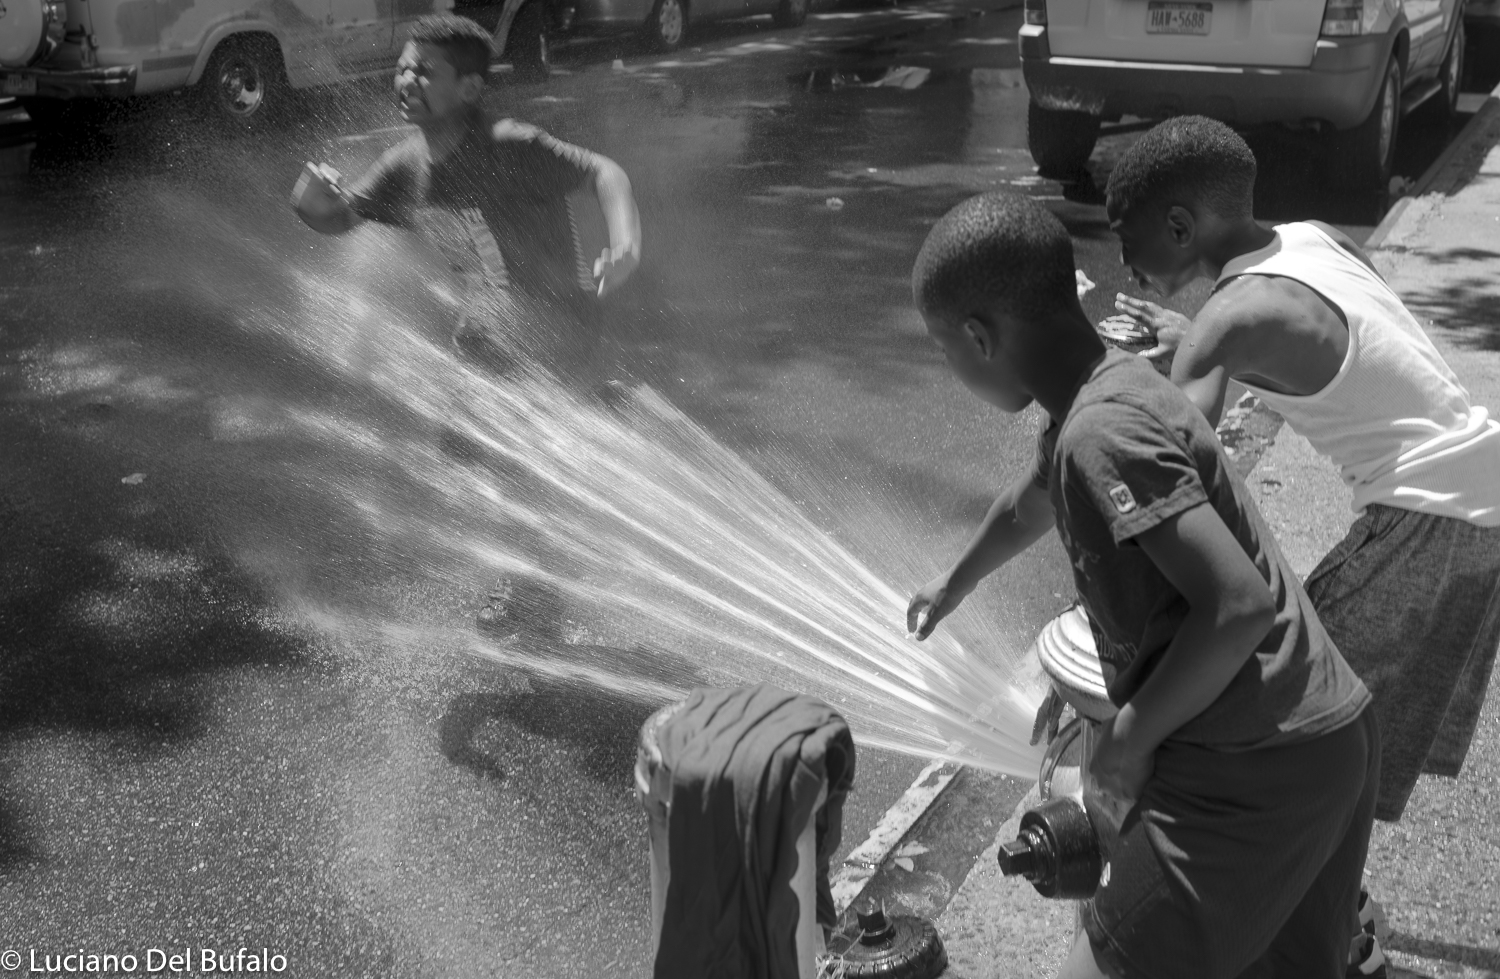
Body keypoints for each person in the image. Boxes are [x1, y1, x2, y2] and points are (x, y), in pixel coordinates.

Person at [906, 191, 1377, 979]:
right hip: (1321, 737)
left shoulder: (1100, 434)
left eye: (944, 350)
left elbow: (1237, 606)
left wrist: (1128, 740)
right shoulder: (1103, 393)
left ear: (978, 338)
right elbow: (1030, 501)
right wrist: (954, 581)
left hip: (1246, 770)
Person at [1103, 115, 1500, 977]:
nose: (1125, 270)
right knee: (1338, 741)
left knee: (1297, 728)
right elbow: (1317, 350)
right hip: (1476, 496)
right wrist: (1191, 343)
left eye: (1130, 246)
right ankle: (1326, 920)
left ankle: (1326, 934)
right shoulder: (1308, 243)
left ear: (1180, 228)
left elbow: (1172, 453)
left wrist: (1128, 377)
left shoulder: (1224, 317)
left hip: (1425, 517)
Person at [291, 12, 642, 384]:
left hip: (560, 324)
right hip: (483, 331)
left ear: (470, 89)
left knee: (500, 422)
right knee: (462, 429)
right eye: (402, 69)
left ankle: (599, 400)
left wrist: (627, 245)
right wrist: (309, 200)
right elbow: (341, 218)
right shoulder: (404, 165)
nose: (407, 81)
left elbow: (604, 172)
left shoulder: (507, 145)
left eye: (425, 72)